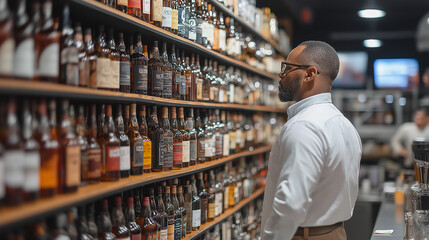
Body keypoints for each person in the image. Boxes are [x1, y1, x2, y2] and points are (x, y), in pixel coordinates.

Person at [261, 41, 362, 240]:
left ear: (309, 74)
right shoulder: (344, 124)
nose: (281, 75)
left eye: (287, 68)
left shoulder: (305, 125)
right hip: (336, 233)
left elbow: (291, 203)